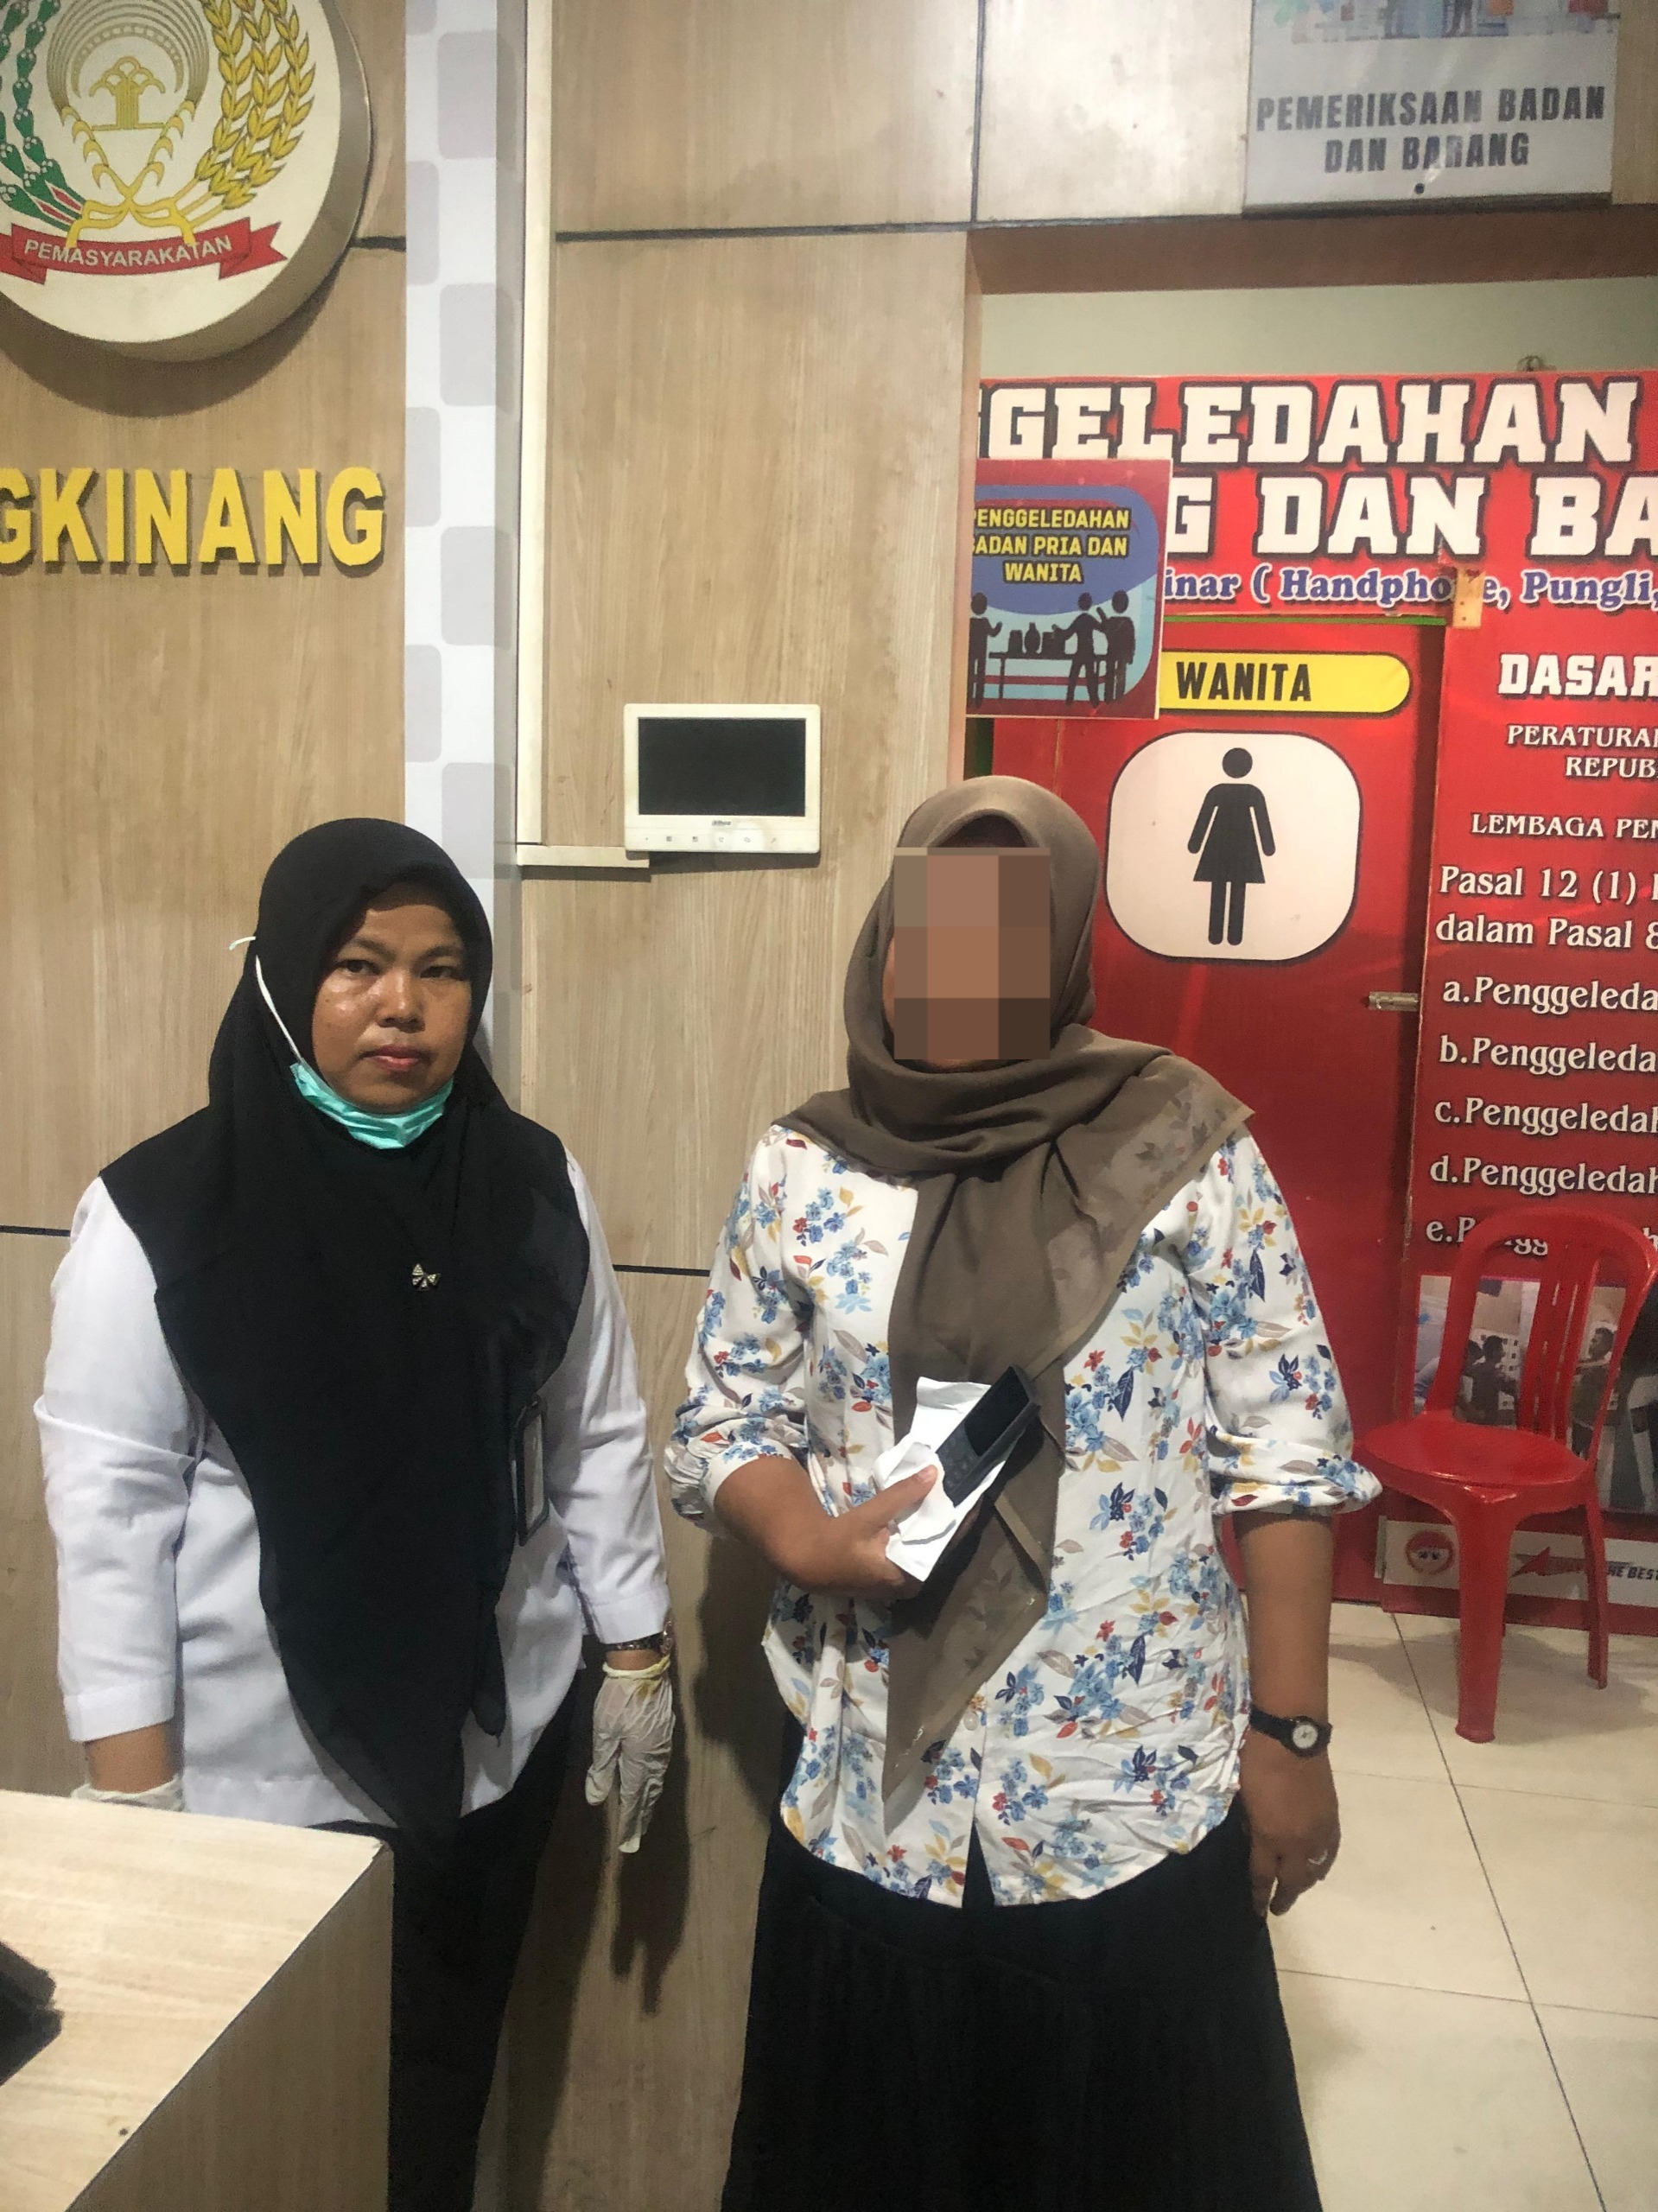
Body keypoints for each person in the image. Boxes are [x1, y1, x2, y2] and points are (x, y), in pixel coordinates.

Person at [669, 777, 1376, 2212]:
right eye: (931, 927)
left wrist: (1289, 1735)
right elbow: (722, 1415)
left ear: (1056, 950)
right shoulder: (808, 1165)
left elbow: (1283, 1457)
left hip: (1124, 1790)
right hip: (877, 1792)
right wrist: (796, 1534)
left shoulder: (1182, 1150)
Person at [38, 819, 673, 2212]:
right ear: (281, 978)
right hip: (255, 1784)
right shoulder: (159, 1214)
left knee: (432, 2112)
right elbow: (111, 1518)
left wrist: (633, 1651)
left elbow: (593, 1426)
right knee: (264, 2138)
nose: (403, 1005)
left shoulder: (529, 1181)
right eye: (358, 965)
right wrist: (136, 1806)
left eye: (441, 970)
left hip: (490, 1748)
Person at [1189, 747, 1276, 947]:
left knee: (1220, 889)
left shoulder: (1218, 791)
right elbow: (1262, 822)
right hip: (1243, 847)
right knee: (1237, 889)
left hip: (1219, 845)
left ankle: (1217, 935)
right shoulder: (1252, 792)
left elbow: (1204, 818)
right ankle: (1233, 936)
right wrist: (1267, 847)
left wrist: (1195, 843)